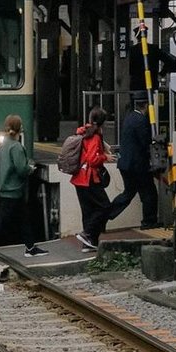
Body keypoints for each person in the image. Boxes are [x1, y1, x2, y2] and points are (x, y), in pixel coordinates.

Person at [0, 115, 47, 258]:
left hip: (5, 186)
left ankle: (30, 247)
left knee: (23, 218)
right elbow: (21, 168)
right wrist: (31, 169)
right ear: (19, 129)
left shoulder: (4, 144)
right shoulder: (16, 146)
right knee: (3, 219)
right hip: (13, 188)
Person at [108, 93, 158, 228]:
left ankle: (104, 215)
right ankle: (149, 221)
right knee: (149, 192)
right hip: (138, 165)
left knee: (128, 193)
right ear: (146, 106)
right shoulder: (141, 121)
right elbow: (145, 143)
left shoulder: (129, 118)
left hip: (126, 164)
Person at [71, 105, 115, 252]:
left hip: (78, 177)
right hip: (89, 178)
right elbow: (92, 159)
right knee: (105, 206)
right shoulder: (95, 136)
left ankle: (89, 243)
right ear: (103, 123)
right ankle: (88, 233)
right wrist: (105, 157)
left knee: (88, 210)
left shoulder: (83, 132)